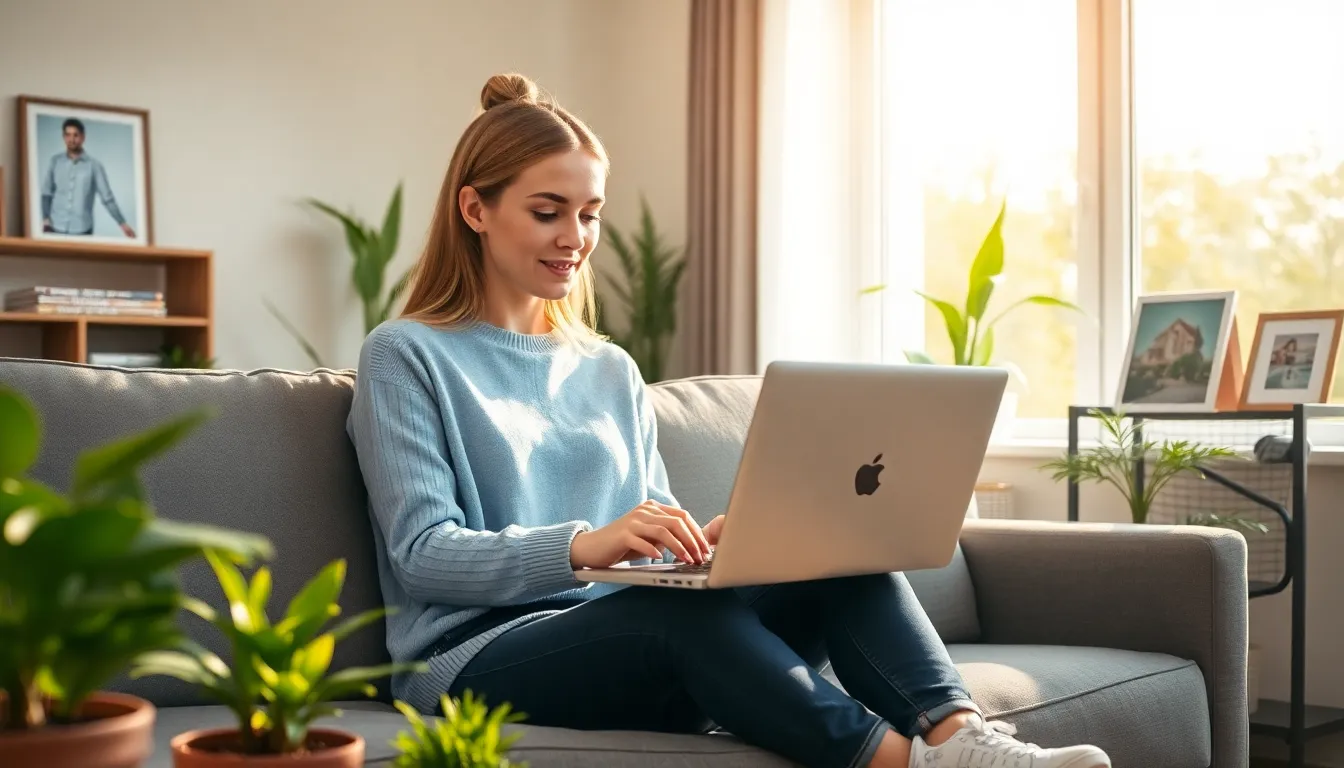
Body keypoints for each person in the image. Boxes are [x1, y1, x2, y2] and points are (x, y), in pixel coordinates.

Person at [346, 73, 1112, 768]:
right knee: (671, 624)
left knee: (838, 553)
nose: (575, 238)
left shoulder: (608, 368)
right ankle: (906, 766)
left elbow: (648, 534)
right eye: (548, 212)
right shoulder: (405, 355)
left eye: (589, 214)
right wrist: (583, 546)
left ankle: (962, 739)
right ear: (475, 209)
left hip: (630, 634)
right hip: (473, 657)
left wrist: (698, 548)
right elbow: (423, 555)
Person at [40, 117, 136, 238]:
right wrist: (45, 220)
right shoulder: (55, 161)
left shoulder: (94, 166)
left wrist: (122, 223)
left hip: (82, 230)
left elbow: (107, 199)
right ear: (63, 137)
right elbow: (46, 193)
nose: (71, 139)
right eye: (68, 135)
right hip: (54, 227)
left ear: (83, 137)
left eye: (76, 135)